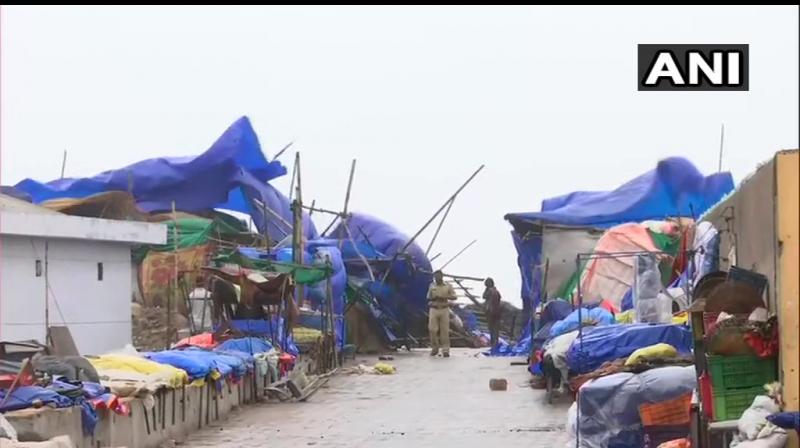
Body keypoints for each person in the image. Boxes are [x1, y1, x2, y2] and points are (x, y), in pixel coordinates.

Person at [427, 270, 457, 357]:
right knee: (432, 329)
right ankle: (435, 348)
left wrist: (444, 297)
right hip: (434, 308)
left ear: (442, 276)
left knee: (444, 331)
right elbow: (428, 297)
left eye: (438, 276)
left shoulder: (448, 285)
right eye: (435, 277)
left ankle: (445, 350)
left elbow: (454, 296)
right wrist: (433, 298)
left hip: (444, 309)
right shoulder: (432, 286)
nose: (436, 278)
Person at [482, 277, 502, 348]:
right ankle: (495, 342)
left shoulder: (489, 291)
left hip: (491, 312)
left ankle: (493, 342)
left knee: (491, 328)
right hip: (497, 311)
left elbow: (483, 296)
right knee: (496, 328)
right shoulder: (496, 291)